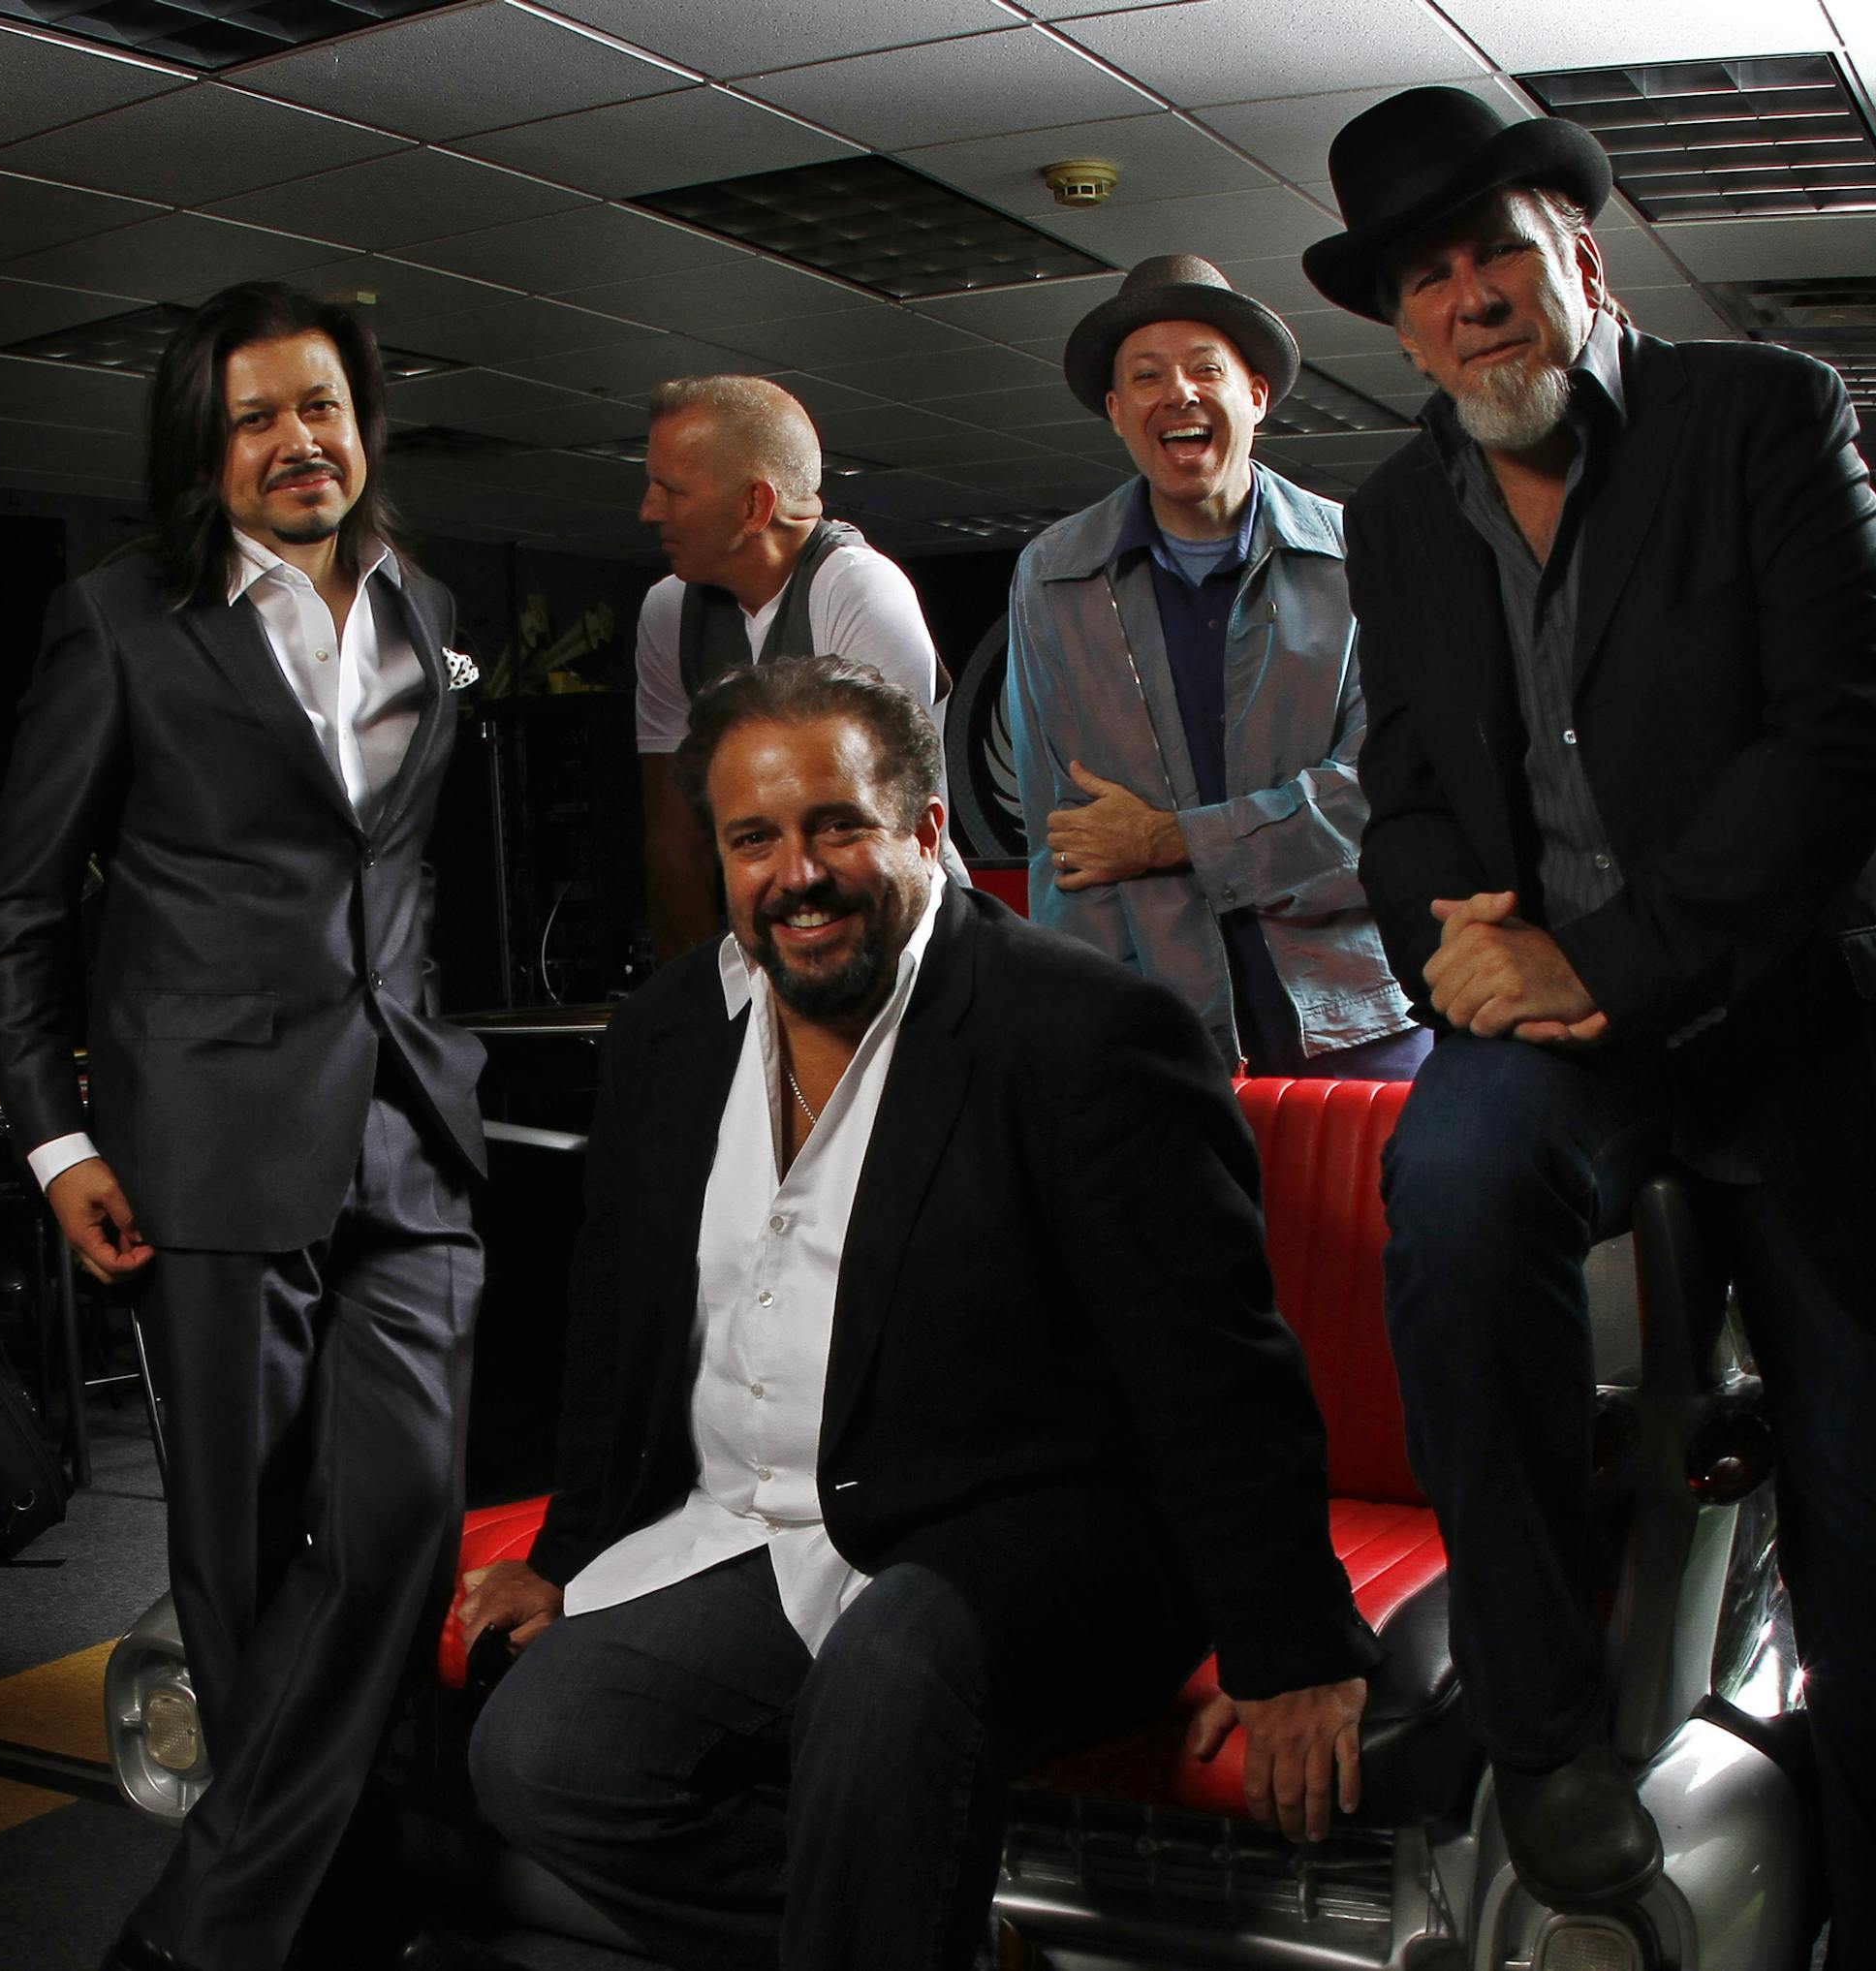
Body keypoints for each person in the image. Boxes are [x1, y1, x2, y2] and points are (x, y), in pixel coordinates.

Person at [1302, 85, 1876, 1964]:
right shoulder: (1396, 514)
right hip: (1557, 1052)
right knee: (1447, 1190)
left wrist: (1602, 963)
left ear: (1582, 260)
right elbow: (1406, 795)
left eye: (1497, 252)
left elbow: (1846, 739)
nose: (1470, 299)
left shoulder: (1760, 417)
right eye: (1426, 276)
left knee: (1870, 1563)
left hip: (1798, 1038)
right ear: (1399, 321)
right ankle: (1537, 1729)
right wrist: (1451, 943)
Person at [459, 655, 1383, 1971]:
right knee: (543, 1752)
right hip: (763, 1528)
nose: (800, 872)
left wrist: (1289, 1639)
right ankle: (935, 1937)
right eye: (755, 838)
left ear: (928, 833)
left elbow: (1214, 1362)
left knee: (891, 1661)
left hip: (1040, 1536)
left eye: (839, 824)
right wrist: (568, 1548)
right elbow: (617, 1323)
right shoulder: (671, 1034)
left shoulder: (1082, 1031)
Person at [0, 282, 490, 1971]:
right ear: (206, 447)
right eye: (256, 414)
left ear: (363, 421)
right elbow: (18, 911)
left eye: (320, 405)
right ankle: (330, 1923)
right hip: (199, 1153)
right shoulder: (121, 620)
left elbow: (385, 881)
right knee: (243, 1566)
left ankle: (200, 1933)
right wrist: (58, 1140)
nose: (295, 440)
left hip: (409, 1134)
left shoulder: (426, 607)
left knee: (402, 1517)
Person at [1005, 254, 1421, 1078]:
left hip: (1357, 1009)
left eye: (1206, 368)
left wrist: (1168, 840)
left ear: (1256, 395)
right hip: (1151, 1026)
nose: (1179, 394)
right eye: (1147, 377)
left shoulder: (1361, 554)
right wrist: (1089, 1020)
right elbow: (1072, 842)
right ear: (1119, 412)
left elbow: (1385, 802)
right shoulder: (1053, 574)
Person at [633, 373, 963, 959]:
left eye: (672, 490)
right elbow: (675, 838)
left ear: (755, 504)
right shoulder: (668, 610)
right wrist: (696, 1003)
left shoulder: (859, 589)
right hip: (773, 929)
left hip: (899, 929)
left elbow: (881, 834)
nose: (648, 511)